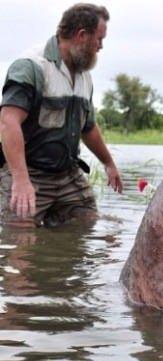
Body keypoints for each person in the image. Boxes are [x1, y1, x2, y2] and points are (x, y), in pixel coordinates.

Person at [0, 3, 123, 228]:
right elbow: (8, 122)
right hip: (29, 173)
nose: (101, 46)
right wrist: (20, 179)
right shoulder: (31, 67)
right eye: (99, 39)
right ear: (82, 35)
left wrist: (109, 163)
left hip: (67, 175)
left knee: (87, 225)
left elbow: (88, 127)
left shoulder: (84, 76)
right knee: (21, 244)